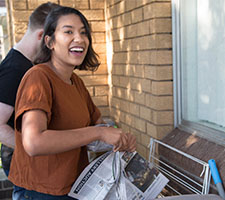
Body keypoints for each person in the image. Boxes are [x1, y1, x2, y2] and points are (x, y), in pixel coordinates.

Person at [8, 6, 136, 200]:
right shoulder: (38, 78)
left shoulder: (76, 82)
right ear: (49, 41)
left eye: (84, 33)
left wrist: (118, 138)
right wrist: (100, 132)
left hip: (74, 186)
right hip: (41, 192)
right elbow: (33, 142)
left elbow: (98, 124)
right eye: (68, 31)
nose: (79, 38)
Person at [0, 2, 60, 177]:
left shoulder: (27, 64)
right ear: (42, 35)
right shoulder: (15, 69)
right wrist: (41, 148)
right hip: (22, 164)